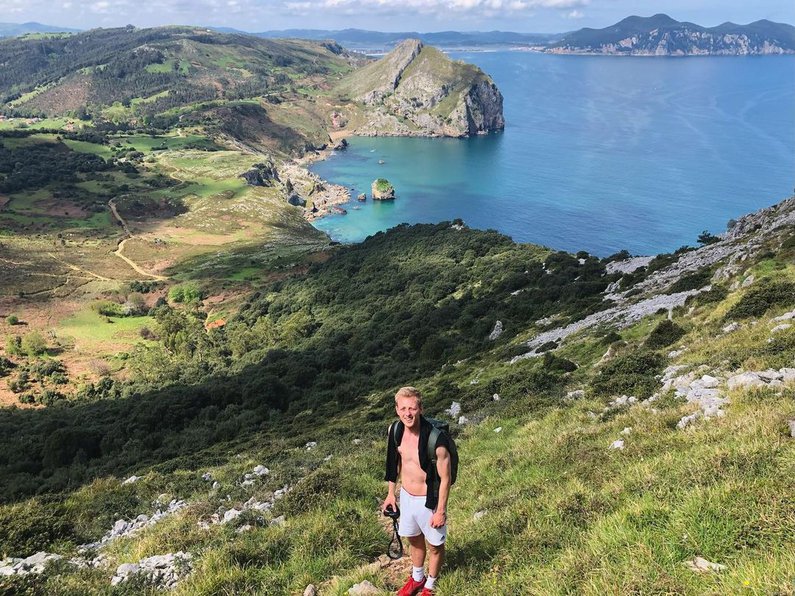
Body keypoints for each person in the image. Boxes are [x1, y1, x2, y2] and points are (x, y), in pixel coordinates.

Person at [383, 387, 452, 596]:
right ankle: (417, 577)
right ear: (397, 410)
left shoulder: (436, 440)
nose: (408, 413)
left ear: (420, 408)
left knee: (435, 545)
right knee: (414, 539)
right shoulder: (395, 431)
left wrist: (440, 510)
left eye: (412, 408)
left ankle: (429, 586)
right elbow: (393, 464)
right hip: (406, 496)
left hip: (428, 499)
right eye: (403, 408)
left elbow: (445, 478)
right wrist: (390, 494)